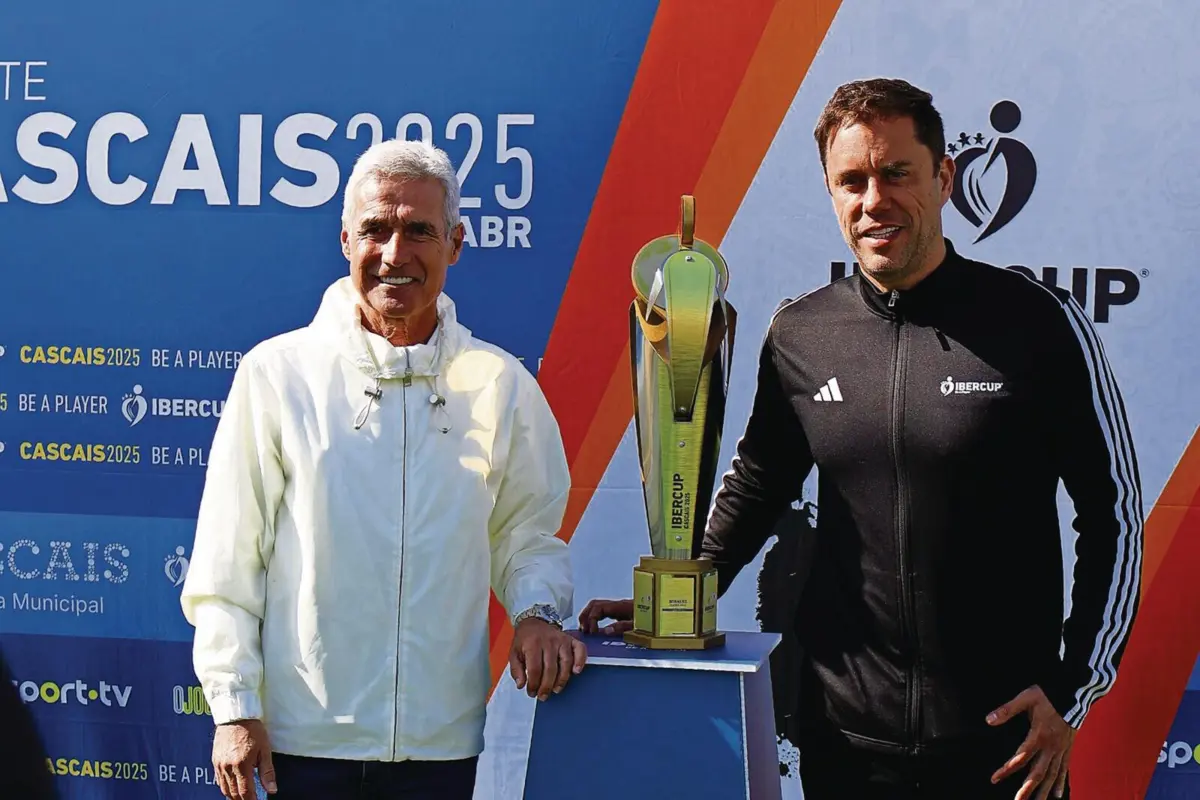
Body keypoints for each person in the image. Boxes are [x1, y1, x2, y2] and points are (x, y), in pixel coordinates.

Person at [580, 78, 1142, 800]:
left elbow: (1114, 512)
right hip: (844, 743)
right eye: (851, 181)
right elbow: (760, 480)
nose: (873, 200)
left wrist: (1072, 688)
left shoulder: (1037, 322)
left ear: (943, 178)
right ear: (831, 194)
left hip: (1003, 746)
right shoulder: (801, 333)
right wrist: (684, 589)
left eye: (896, 173)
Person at [181, 138, 586, 800]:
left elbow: (527, 533)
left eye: (418, 231)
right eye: (376, 229)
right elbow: (228, 565)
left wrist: (537, 612)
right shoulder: (278, 375)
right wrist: (232, 706)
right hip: (301, 745)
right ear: (345, 239)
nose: (395, 254)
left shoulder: (499, 384)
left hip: (439, 748)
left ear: (454, 244)